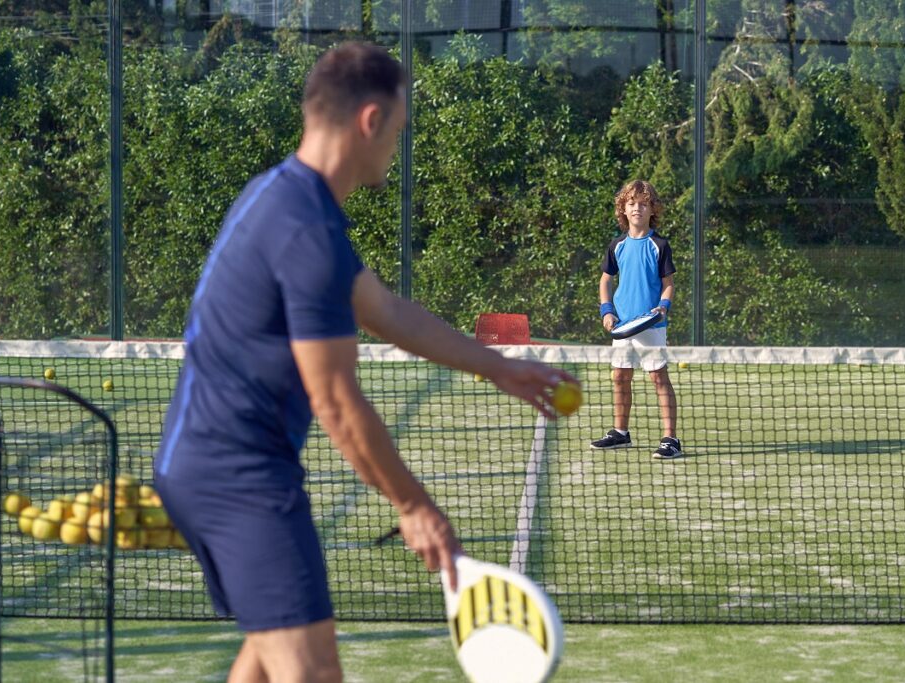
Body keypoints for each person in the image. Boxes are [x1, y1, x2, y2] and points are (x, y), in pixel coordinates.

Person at [152, 42, 575, 683]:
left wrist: (497, 367)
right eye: (398, 131)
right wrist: (413, 505)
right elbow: (337, 403)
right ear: (370, 121)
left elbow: (388, 312)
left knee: (265, 664)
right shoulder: (306, 231)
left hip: (210, 470)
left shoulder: (287, 200)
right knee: (313, 675)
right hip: (239, 481)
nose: (395, 149)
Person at [590, 179, 682, 460]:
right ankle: (620, 432)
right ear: (624, 209)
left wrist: (663, 306)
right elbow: (605, 281)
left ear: (652, 209)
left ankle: (671, 439)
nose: (637, 208)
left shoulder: (659, 245)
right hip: (622, 327)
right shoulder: (616, 245)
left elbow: (668, 283)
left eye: (643, 204)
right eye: (631, 204)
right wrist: (607, 311)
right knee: (620, 376)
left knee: (658, 377)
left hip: (651, 326)